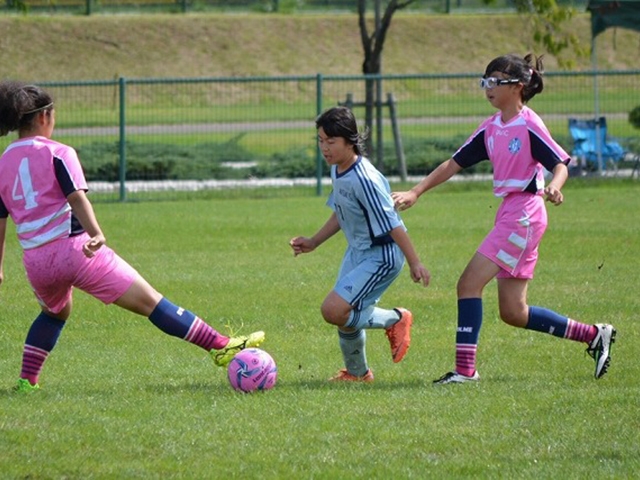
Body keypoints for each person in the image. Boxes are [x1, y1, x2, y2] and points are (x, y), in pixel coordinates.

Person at [0, 81, 265, 392]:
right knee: (151, 302)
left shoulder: (3, 161)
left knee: (54, 313)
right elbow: (75, 196)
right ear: (44, 117)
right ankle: (219, 345)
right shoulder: (59, 152)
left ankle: (26, 381)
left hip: (36, 261)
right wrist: (96, 233)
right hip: (75, 250)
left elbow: (0, 218)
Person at [392, 54, 616, 384]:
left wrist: (555, 186)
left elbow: (560, 163)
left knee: (468, 284)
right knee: (513, 312)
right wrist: (416, 191)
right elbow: (453, 163)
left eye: (496, 81)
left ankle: (465, 372)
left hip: (524, 215)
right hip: (511, 214)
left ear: (518, 87)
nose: (489, 88)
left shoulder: (528, 124)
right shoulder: (492, 127)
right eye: (486, 81)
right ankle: (594, 335)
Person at [289, 106, 430, 383]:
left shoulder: (364, 178)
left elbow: (392, 222)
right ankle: (357, 373)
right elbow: (343, 211)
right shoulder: (339, 169)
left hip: (382, 255)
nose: (325, 148)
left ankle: (396, 318)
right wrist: (314, 241)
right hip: (358, 252)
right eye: (320, 140)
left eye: (331, 141)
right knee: (342, 311)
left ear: (350, 141)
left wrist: (415, 261)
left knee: (334, 310)